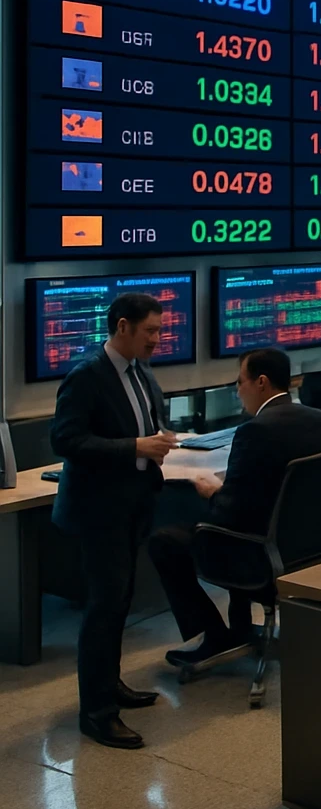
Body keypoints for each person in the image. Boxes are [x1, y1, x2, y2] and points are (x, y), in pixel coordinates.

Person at [149, 348, 321, 666]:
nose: (237, 391)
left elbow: (230, 513)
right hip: (310, 550)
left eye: (240, 382)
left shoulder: (255, 431)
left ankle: (214, 633)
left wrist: (212, 492)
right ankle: (236, 627)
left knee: (164, 539)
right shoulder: (320, 421)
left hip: (260, 557)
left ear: (261, 382)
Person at [50, 293, 178, 750]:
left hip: (134, 504)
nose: (157, 340)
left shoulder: (141, 372)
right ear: (122, 327)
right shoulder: (86, 376)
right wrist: (135, 448)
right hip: (99, 512)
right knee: (103, 609)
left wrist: (159, 437)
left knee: (120, 602)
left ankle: (112, 684)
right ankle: (97, 713)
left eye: (160, 331)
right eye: (150, 332)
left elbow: (146, 422)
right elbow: (66, 440)